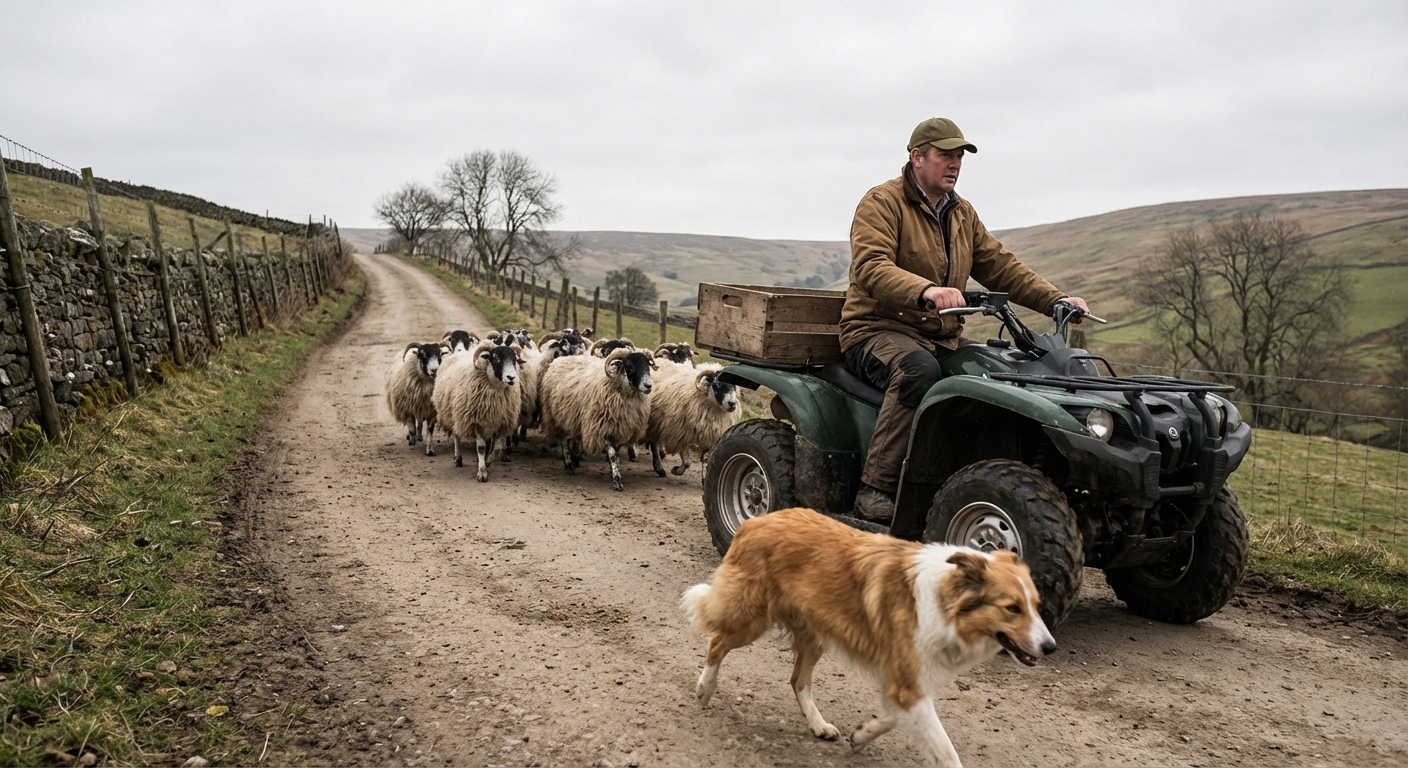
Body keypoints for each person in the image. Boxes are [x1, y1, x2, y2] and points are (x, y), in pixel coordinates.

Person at [841, 117, 1090, 520]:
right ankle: (875, 488)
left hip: (942, 337)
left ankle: (980, 480)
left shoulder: (961, 213)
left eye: (959, 156)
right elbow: (871, 265)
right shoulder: (882, 202)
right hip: (876, 330)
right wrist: (925, 291)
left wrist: (1056, 300)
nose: (954, 164)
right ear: (917, 156)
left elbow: (1000, 266)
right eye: (945, 155)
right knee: (917, 371)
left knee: (1001, 373)